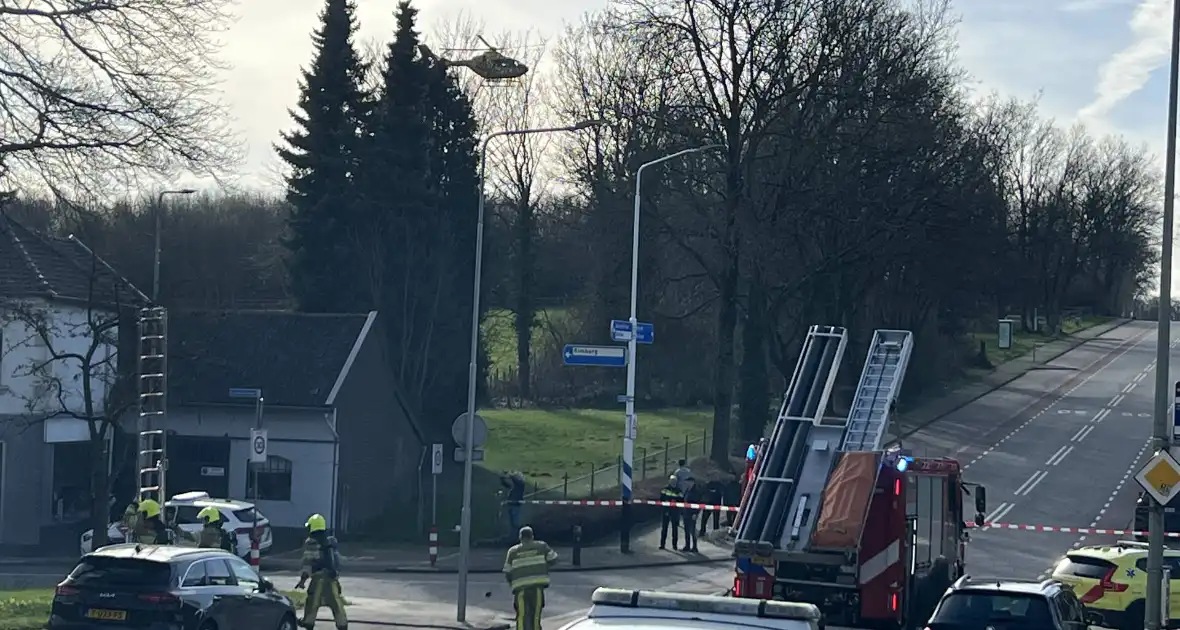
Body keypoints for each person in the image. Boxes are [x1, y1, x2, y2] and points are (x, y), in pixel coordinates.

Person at [295, 514, 347, 630]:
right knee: (336, 603)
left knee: (312, 600)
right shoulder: (330, 541)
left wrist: (303, 580)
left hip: (318, 578)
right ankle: (342, 624)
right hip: (332, 578)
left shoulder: (311, 542)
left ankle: (308, 621)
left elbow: (308, 563)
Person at [502, 526, 557, 630]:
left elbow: (507, 571)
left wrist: (511, 583)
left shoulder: (513, 551)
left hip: (520, 589)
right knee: (536, 615)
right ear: (532, 536)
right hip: (537, 587)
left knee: (521, 615)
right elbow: (554, 559)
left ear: (520, 537)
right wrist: (543, 566)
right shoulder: (542, 546)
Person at [658, 475, 682, 550]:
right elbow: (661, 499)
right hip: (666, 511)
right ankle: (662, 544)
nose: (673, 482)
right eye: (672, 481)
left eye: (674, 481)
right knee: (664, 528)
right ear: (669, 481)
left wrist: (676, 502)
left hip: (675, 511)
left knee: (675, 529)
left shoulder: (679, 490)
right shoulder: (665, 489)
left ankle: (674, 545)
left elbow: (681, 500)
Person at [681, 481, 700, 552]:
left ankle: (695, 547)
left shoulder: (695, 492)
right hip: (686, 513)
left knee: (692, 530)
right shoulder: (687, 490)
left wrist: (695, 513)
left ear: (692, 483)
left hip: (692, 514)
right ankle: (687, 545)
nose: (687, 483)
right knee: (686, 530)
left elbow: (698, 503)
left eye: (688, 482)